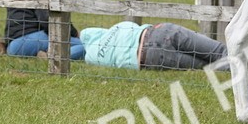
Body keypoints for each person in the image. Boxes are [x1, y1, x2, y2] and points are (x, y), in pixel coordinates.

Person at [1, 0, 84, 59]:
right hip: (23, 42)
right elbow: (48, 20)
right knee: (85, 46)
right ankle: (52, 57)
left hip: (16, 42)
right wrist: (74, 34)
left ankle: (44, 54)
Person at [80, 21, 228, 71]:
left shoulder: (92, 58)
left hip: (151, 58)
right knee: (219, 51)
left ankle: (246, 73)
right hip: (160, 32)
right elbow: (135, 26)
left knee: (209, 65)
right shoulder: (117, 28)